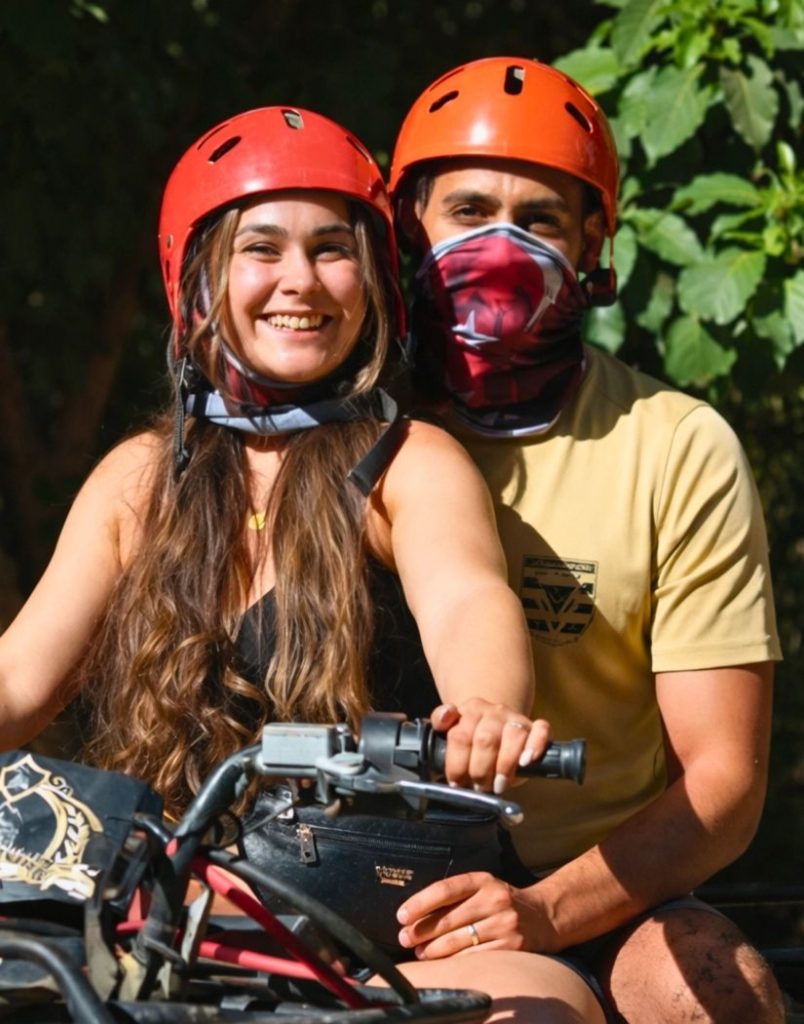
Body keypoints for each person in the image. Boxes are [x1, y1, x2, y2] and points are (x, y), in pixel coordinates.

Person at [0, 105, 607, 1023]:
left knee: (540, 1012)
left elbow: (468, 601)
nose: (301, 281)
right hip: (169, 917)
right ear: (197, 276)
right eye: (262, 249)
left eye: (332, 249)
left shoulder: (406, 462)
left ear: (371, 280)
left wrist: (487, 710)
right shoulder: (140, 480)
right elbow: (18, 679)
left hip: (385, 927)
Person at [387, 57, 785, 1024]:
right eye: (469, 211)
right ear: (405, 228)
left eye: (542, 222)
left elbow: (723, 781)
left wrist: (541, 911)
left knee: (715, 990)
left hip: (602, 881)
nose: (501, 247)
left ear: (596, 243)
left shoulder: (676, 445)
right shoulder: (345, 433)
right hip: (362, 866)